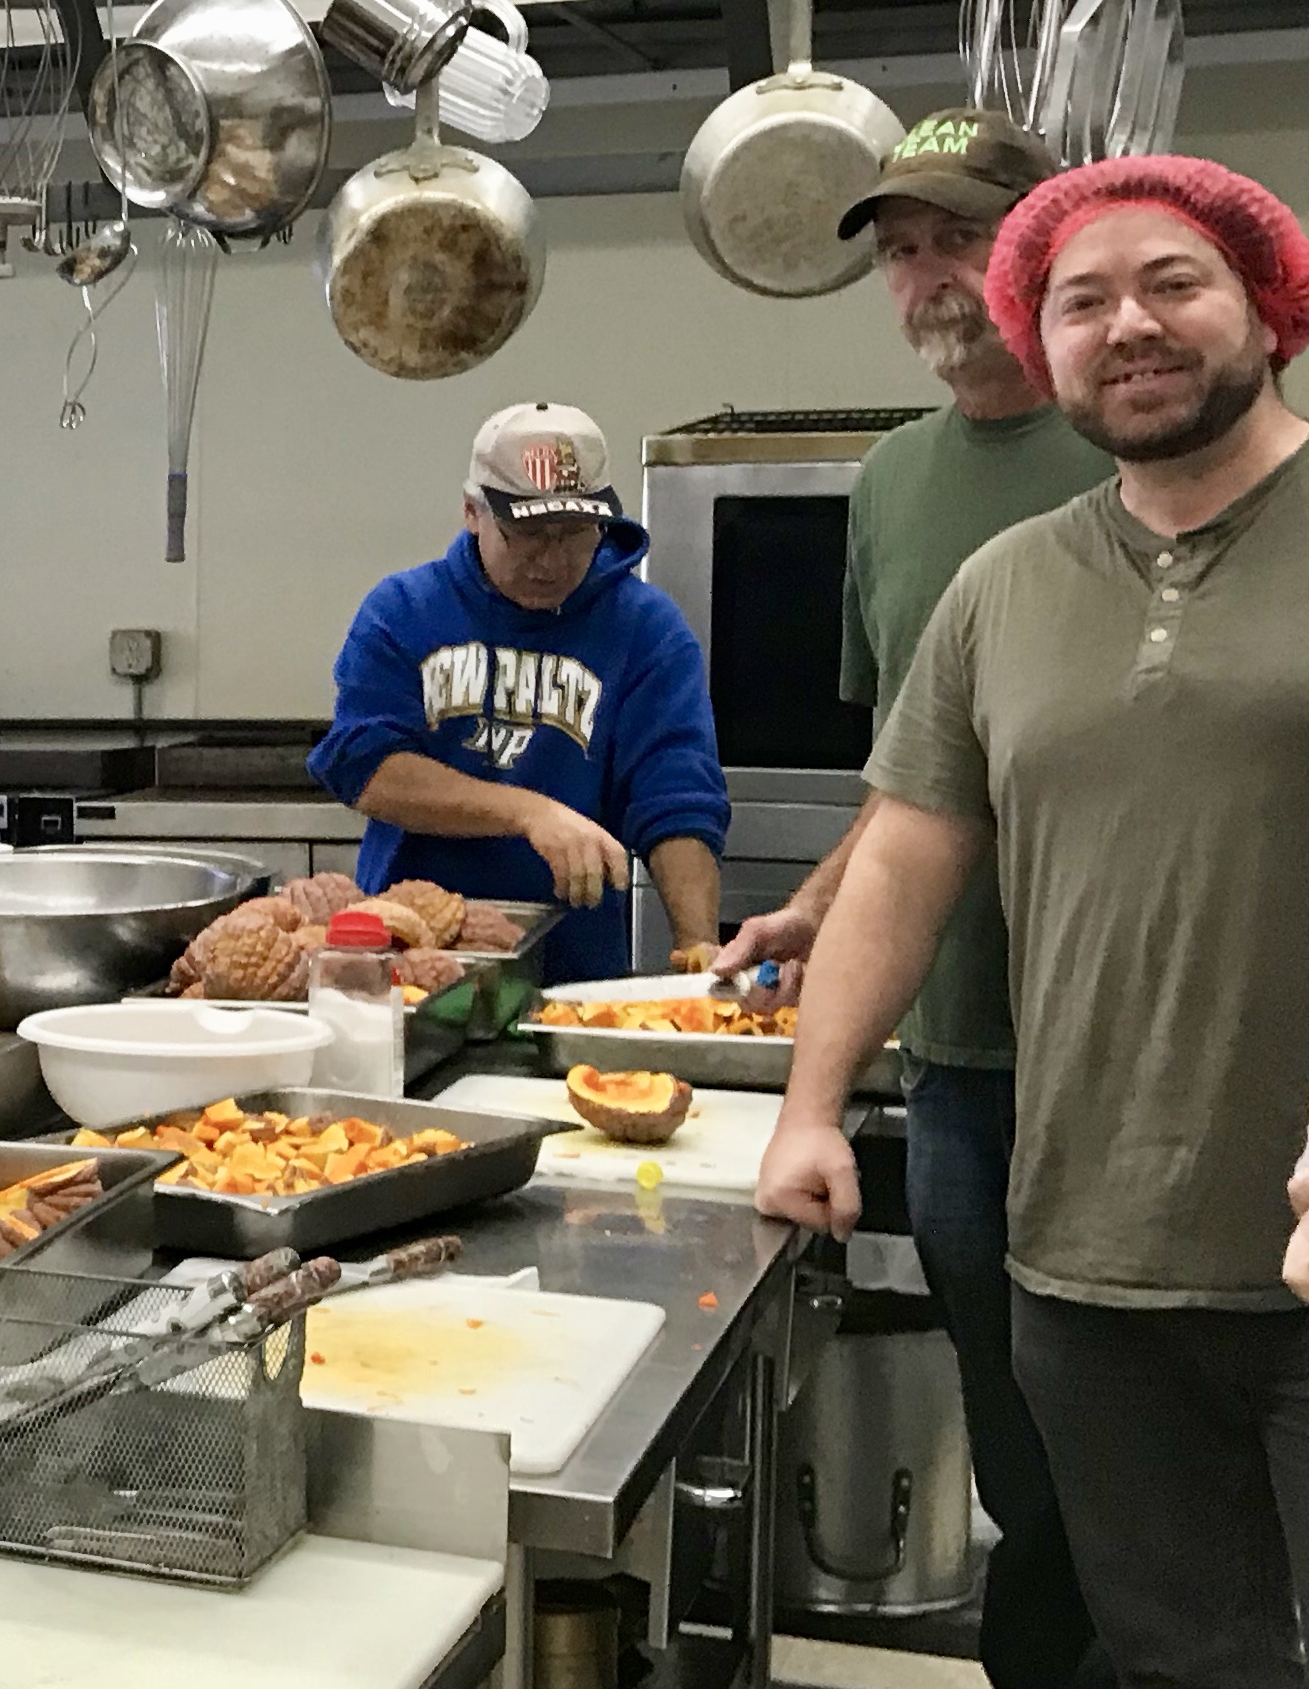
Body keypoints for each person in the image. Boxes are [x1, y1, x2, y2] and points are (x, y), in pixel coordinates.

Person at [754, 155, 1309, 1689]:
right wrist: (810, 1102)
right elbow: (900, 867)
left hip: (1293, 1249)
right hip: (1081, 1257)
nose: (1125, 325)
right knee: (1172, 1651)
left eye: (1171, 283)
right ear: (1042, 340)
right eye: (1079, 302)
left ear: (1266, 307)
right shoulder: (1003, 586)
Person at [705, 111, 1112, 1689]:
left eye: (958, 238)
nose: (929, 279)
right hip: (960, 1057)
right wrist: (823, 906)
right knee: (1023, 1458)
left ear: (1034, 245)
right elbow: (908, 776)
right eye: (897, 251)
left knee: (1167, 1456)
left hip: (1139, 1050)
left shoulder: (1143, 439)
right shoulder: (891, 481)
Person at [307, 402, 730, 981]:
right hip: (407, 967)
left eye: (575, 534)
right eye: (527, 534)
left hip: (574, 975)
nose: (552, 560)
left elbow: (676, 797)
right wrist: (529, 813)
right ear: (472, 513)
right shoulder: (403, 611)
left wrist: (699, 949)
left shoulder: (646, 631)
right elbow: (368, 768)